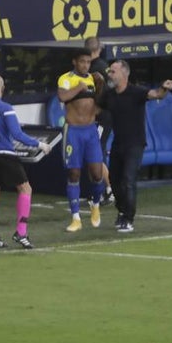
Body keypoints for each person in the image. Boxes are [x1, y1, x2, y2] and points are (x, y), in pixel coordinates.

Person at [0, 74, 50, 249]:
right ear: (3, 89)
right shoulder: (5, 108)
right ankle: (21, 232)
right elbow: (17, 134)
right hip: (5, 154)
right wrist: (39, 144)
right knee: (25, 188)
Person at [97, 60, 172, 233]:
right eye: (110, 72)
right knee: (115, 182)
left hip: (135, 144)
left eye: (113, 72)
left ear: (125, 74)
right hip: (118, 144)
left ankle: (128, 219)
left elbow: (157, 95)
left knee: (128, 180)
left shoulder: (136, 92)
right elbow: (96, 108)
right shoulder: (109, 95)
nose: (110, 75)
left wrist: (165, 88)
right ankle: (122, 211)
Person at [56, 48, 107, 232]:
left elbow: (101, 105)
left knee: (97, 173)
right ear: (74, 62)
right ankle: (76, 217)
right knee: (74, 174)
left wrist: (100, 86)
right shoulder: (66, 79)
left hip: (91, 131)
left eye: (88, 62)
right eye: (82, 61)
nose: (86, 65)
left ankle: (95, 205)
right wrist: (79, 87)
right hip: (73, 132)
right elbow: (62, 97)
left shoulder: (94, 78)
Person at [85, 36, 114, 204]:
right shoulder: (104, 67)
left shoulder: (95, 70)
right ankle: (100, 190)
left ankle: (109, 189)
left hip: (102, 117)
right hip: (105, 115)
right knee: (96, 151)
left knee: (96, 152)